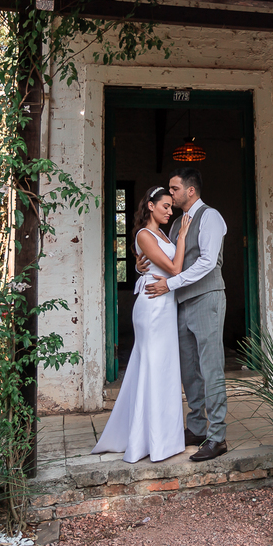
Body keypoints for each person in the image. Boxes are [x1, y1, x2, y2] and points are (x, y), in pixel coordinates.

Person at [91, 187, 190, 463]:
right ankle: (148, 439)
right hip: (152, 306)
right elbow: (174, 269)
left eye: (172, 207)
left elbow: (156, 265)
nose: (171, 212)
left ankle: (163, 438)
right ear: (150, 206)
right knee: (152, 367)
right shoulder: (145, 235)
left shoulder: (160, 234)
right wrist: (182, 238)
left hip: (166, 304)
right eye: (166, 206)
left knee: (165, 369)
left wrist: (141, 263)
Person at [140, 167, 229, 462]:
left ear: (190, 191)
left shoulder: (211, 217)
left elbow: (206, 262)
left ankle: (218, 436)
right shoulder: (176, 222)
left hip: (207, 298)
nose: (171, 194)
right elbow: (165, 258)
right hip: (181, 304)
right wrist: (143, 267)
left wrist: (171, 284)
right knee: (189, 370)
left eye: (174, 189)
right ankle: (197, 427)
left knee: (211, 368)